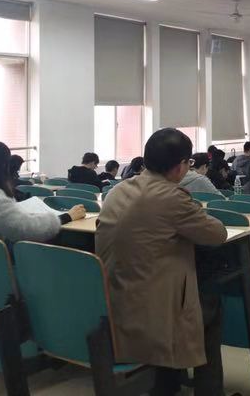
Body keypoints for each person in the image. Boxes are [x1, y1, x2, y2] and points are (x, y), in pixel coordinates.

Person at [96, 128, 228, 396]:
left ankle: (169, 382)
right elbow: (217, 234)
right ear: (181, 166)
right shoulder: (171, 197)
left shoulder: (118, 190)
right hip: (150, 316)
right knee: (211, 303)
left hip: (113, 305)